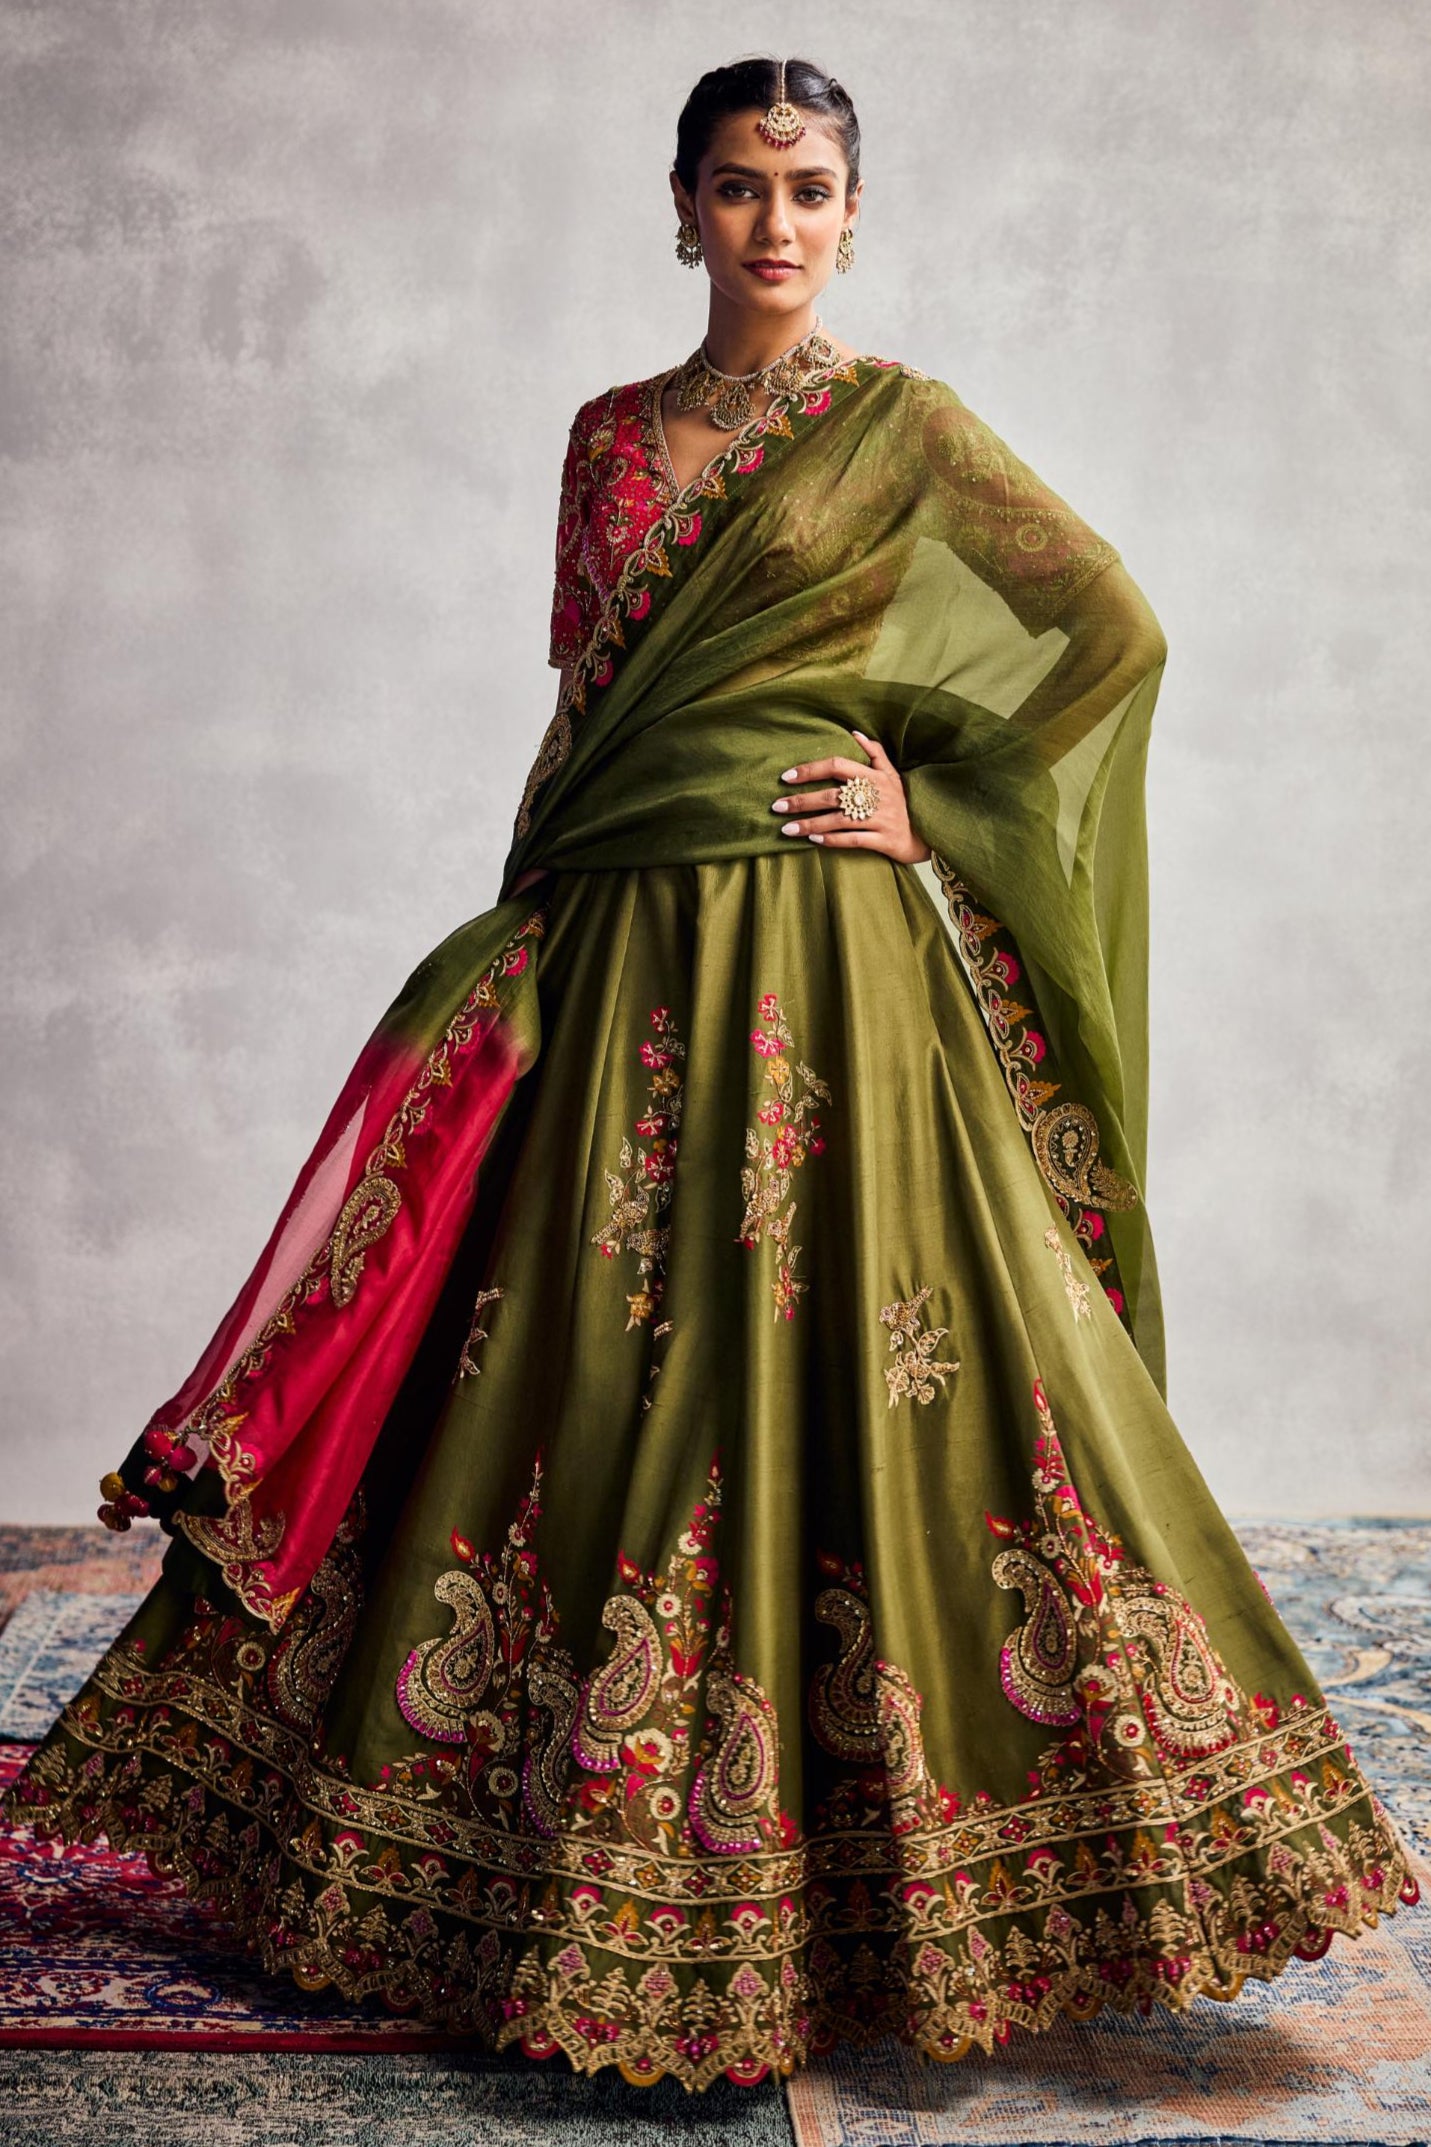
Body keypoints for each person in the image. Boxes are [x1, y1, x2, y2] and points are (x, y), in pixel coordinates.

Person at [3, 53, 1416, 2098]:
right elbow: (589, 707)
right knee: (567, 1358)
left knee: (888, 1357)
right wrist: (532, 908)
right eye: (741, 186)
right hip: (618, 941)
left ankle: (901, 1862)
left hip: (821, 954)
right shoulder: (605, 438)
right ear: (681, 207)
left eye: (810, 187)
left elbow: (1107, 633)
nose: (776, 222)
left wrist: (932, 807)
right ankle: (512, 1846)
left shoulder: (904, 429)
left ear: (853, 213)